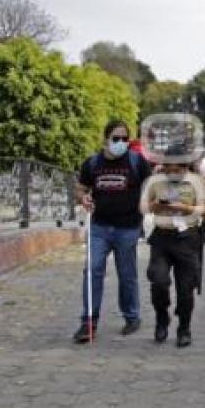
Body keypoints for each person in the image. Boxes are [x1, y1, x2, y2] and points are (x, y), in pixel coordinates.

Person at [73, 119, 152, 343]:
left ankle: (132, 317)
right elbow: (80, 188)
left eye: (125, 139)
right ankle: (89, 321)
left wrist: (145, 203)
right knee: (92, 270)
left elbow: (151, 185)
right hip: (99, 227)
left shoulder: (137, 162)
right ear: (106, 139)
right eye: (115, 138)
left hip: (127, 227)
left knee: (127, 274)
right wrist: (83, 198)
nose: (120, 142)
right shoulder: (92, 163)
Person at [140, 145, 205, 347]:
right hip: (162, 238)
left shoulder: (196, 181)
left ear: (185, 166)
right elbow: (143, 207)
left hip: (187, 238)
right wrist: (155, 205)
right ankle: (162, 318)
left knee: (185, 288)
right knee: (159, 280)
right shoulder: (155, 181)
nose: (173, 172)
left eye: (177, 169)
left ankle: (184, 328)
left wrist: (185, 208)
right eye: (168, 168)